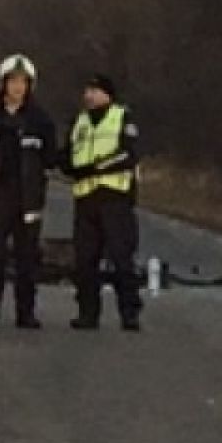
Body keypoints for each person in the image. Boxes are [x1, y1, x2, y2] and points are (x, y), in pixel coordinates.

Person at [0, 54, 56, 329]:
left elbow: (50, 157)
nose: (18, 87)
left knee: (27, 258)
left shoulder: (40, 120)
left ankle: (26, 313)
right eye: (13, 81)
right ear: (3, 84)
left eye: (23, 82)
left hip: (27, 198)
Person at [63, 74, 143, 331]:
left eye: (95, 90)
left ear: (107, 94)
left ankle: (129, 313)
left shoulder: (121, 117)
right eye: (87, 90)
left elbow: (128, 154)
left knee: (121, 258)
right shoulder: (80, 121)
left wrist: (95, 168)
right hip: (85, 199)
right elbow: (68, 154)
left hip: (114, 197)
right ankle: (87, 313)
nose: (89, 95)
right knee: (85, 260)